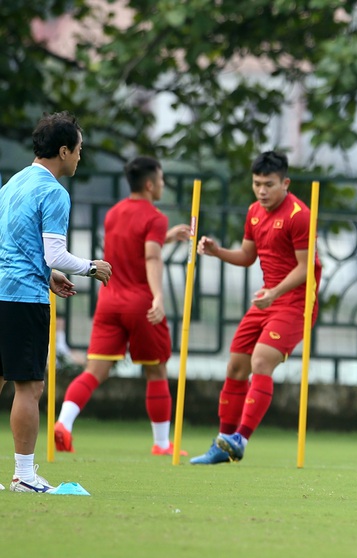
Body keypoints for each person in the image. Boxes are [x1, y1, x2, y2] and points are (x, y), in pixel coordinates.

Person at [0, 111, 112, 493]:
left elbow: (14, 247)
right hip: (23, 298)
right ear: (63, 151)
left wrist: (50, 276)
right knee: (29, 387)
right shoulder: (53, 191)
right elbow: (55, 254)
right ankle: (25, 476)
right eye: (79, 150)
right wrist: (91, 267)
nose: (80, 157)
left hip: (2, 289)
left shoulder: (13, 183)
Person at [190, 150, 321, 464]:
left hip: (295, 303)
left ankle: (240, 440)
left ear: (285, 183)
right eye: (257, 184)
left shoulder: (298, 215)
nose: (262, 191)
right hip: (267, 299)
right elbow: (248, 256)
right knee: (236, 366)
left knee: (261, 361)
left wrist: (274, 292)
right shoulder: (254, 212)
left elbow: (306, 268)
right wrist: (218, 251)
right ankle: (223, 443)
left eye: (269, 184)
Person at [54, 156, 190, 456]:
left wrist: (167, 237)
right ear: (151, 184)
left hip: (109, 302)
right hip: (140, 304)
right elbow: (151, 256)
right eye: (162, 180)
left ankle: (63, 424)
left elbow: (134, 246)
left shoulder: (114, 213)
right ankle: (162, 444)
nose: (164, 185)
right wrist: (158, 297)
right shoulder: (155, 217)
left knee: (94, 371)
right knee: (156, 371)